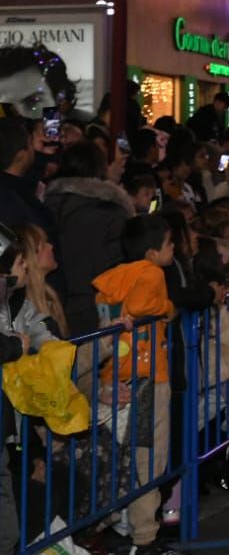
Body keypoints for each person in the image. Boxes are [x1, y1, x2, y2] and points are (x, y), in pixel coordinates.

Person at [94, 214, 178, 555]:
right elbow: (143, 306)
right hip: (147, 377)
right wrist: (168, 307)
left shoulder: (113, 277)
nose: (173, 249)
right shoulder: (152, 273)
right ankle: (145, 536)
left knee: (121, 456)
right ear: (152, 252)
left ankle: (119, 524)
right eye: (170, 243)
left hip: (114, 374)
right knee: (149, 459)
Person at [43, 141, 134, 336]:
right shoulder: (111, 210)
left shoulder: (44, 204)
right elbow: (119, 263)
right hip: (94, 305)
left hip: (47, 302)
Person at [0, 117, 51, 230]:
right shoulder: (14, 204)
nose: (33, 149)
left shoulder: (15, 190)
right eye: (30, 144)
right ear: (21, 155)